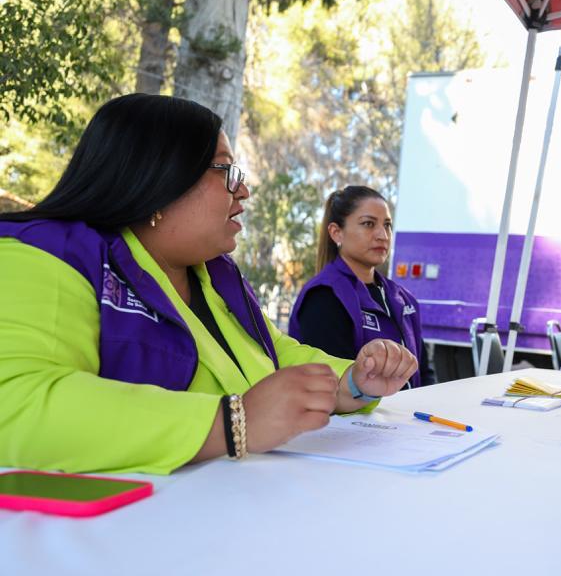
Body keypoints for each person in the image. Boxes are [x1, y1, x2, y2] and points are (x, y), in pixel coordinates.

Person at [0, 94, 418, 475]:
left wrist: (352, 382)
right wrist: (232, 423)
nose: (245, 191)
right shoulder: (47, 254)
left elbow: (275, 355)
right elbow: (17, 406)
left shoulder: (215, 274)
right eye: (227, 172)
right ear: (159, 176)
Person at [289, 186, 430, 387]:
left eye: (387, 225)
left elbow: (424, 372)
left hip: (406, 417)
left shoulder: (403, 298)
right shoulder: (324, 296)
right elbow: (334, 385)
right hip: (354, 418)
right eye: (368, 224)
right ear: (337, 233)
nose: (382, 235)